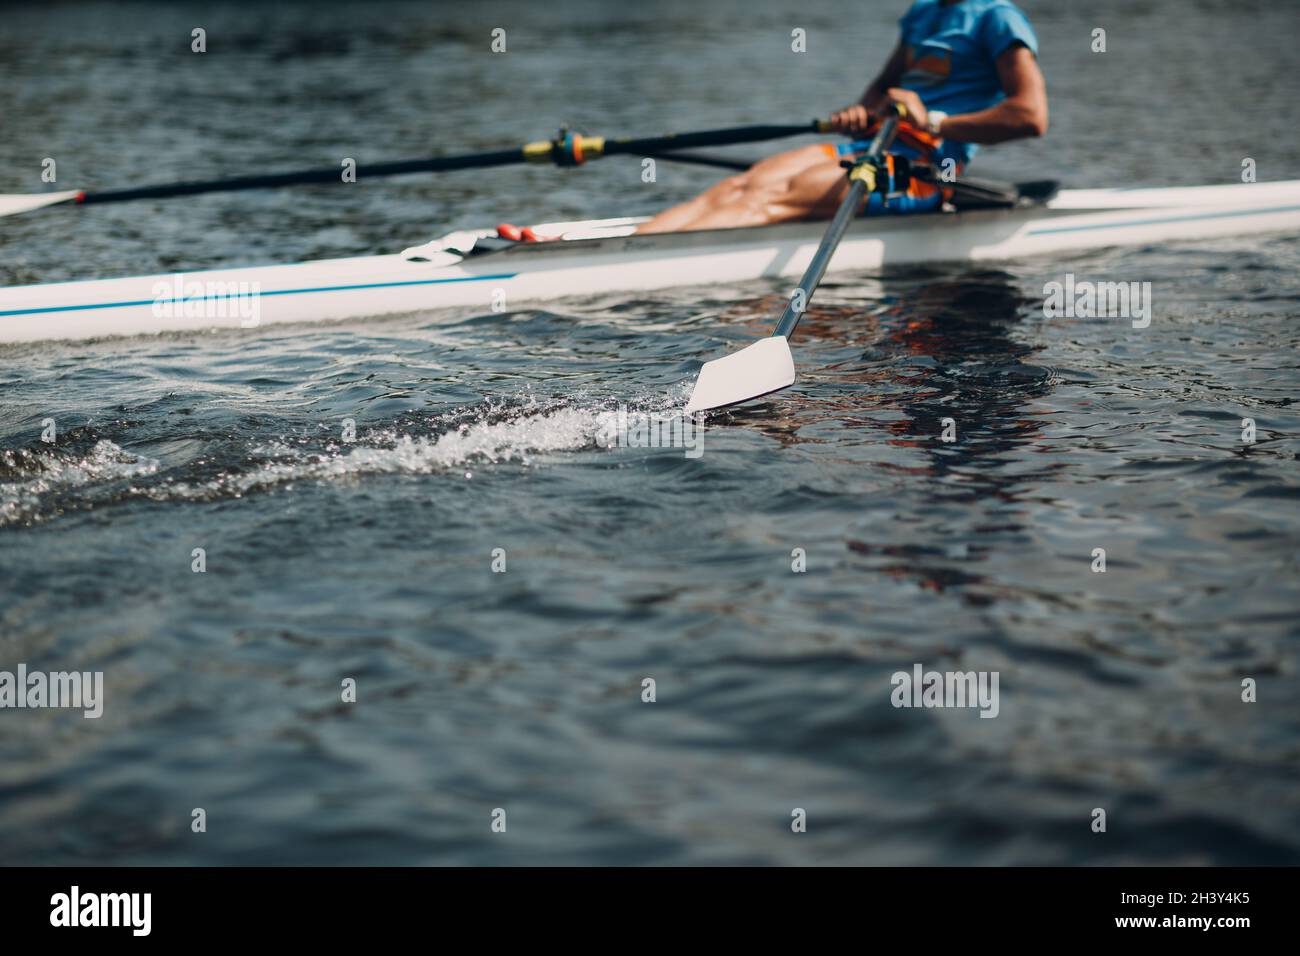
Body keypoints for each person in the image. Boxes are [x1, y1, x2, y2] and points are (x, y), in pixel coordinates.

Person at [637, 0, 1048, 234]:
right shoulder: (923, 13)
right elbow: (884, 85)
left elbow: (1030, 116)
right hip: (873, 144)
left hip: (926, 167)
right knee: (741, 184)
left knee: (774, 195)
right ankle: (637, 243)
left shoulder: (998, 18)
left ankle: (642, 265)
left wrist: (932, 121)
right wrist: (863, 112)